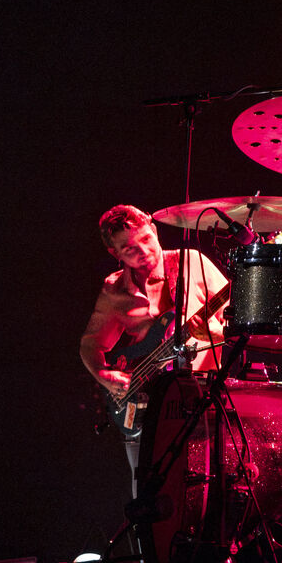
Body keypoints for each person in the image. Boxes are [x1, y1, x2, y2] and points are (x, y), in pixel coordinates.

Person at [80, 204, 230, 492]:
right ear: (114, 253)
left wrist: (212, 332)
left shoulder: (192, 262)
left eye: (146, 239)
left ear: (155, 230)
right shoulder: (114, 289)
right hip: (144, 406)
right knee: (147, 497)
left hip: (201, 403)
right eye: (129, 249)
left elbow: (242, 322)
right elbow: (90, 344)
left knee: (204, 492)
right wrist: (104, 375)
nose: (143, 251)